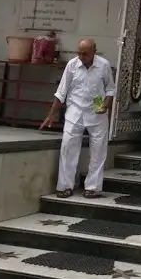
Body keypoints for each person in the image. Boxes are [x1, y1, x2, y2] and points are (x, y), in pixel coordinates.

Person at [40, 38, 115, 199]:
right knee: (68, 146)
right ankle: (65, 186)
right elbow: (61, 92)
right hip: (75, 109)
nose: (81, 56)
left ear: (94, 51)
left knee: (98, 149)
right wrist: (52, 113)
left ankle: (93, 188)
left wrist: (106, 106)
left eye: (85, 53)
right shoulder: (72, 65)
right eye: (79, 53)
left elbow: (110, 90)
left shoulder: (104, 65)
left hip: (97, 110)